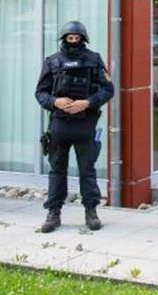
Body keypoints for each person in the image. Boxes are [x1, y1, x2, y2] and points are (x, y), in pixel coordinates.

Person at [35, 21, 115, 233]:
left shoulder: (94, 59)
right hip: (59, 125)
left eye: (76, 38)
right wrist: (55, 102)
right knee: (56, 171)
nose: (73, 41)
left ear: (83, 39)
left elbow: (108, 89)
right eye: (69, 38)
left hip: (85, 124)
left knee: (87, 170)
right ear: (63, 39)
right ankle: (53, 212)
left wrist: (87, 102)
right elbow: (40, 93)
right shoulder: (52, 61)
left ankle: (91, 211)